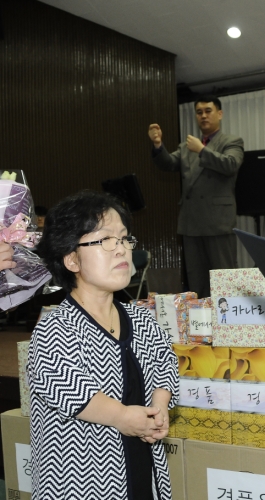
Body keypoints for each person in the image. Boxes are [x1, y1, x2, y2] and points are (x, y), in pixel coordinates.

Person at [29, 191, 179, 499]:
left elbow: (166, 365)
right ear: (71, 259)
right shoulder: (55, 328)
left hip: (142, 473)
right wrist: (124, 418)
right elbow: (72, 393)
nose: (121, 250)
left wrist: (160, 408)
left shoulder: (140, 317)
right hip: (82, 483)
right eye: (105, 240)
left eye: (124, 239)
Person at [148, 95, 244, 298]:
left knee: (224, 277)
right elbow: (167, 164)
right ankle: (200, 324)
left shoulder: (231, 141)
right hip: (191, 223)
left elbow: (230, 164)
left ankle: (229, 325)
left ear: (220, 114)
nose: (203, 116)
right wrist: (158, 145)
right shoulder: (187, 147)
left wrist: (202, 150)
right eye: (199, 112)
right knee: (196, 279)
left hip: (218, 222)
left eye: (208, 111)